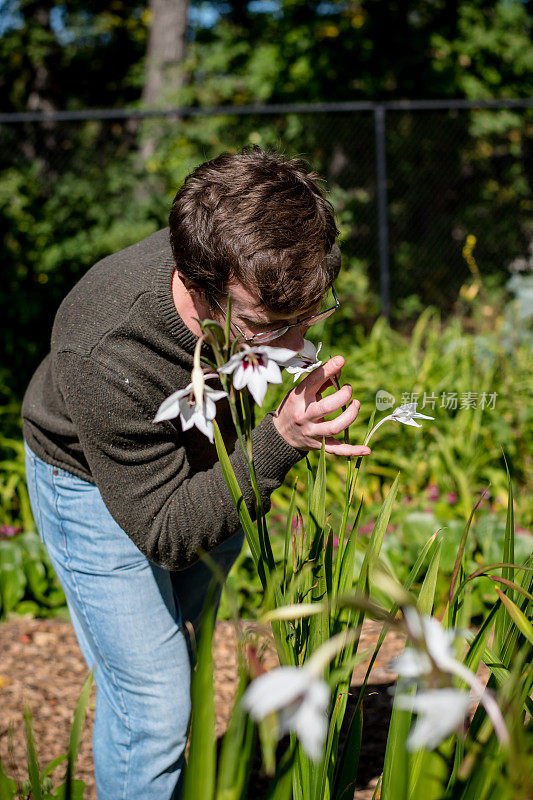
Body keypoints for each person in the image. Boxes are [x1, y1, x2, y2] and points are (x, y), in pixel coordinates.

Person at [22, 147, 371, 800]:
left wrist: (282, 370)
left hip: (209, 456)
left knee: (175, 653)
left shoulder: (254, 254)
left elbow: (271, 342)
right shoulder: (106, 348)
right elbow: (163, 531)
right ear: (196, 282)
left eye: (307, 319)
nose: (297, 346)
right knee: (153, 704)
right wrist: (280, 440)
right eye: (270, 327)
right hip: (91, 485)